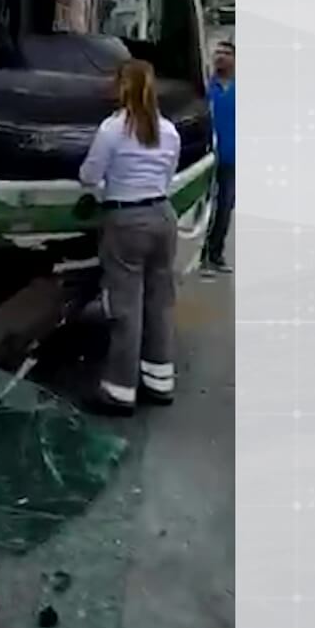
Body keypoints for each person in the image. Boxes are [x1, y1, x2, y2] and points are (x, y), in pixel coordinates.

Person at [77, 59, 181, 416]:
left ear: (122, 86)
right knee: (160, 301)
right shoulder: (169, 130)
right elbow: (168, 176)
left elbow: (89, 176)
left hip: (126, 220)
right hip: (164, 217)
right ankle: (159, 380)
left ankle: (120, 391)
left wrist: (107, 186)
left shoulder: (112, 129)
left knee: (125, 306)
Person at [204, 40, 235, 273]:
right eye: (218, 53)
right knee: (206, 209)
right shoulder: (206, 88)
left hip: (232, 159)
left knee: (225, 207)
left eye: (226, 53)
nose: (221, 57)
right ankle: (202, 256)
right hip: (207, 158)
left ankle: (216, 254)